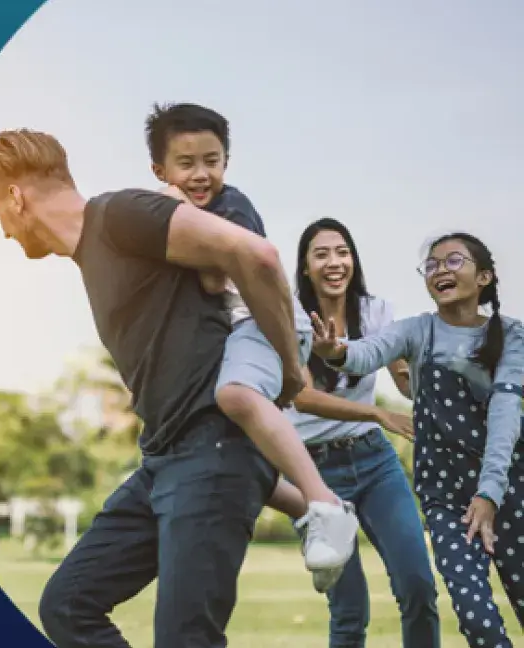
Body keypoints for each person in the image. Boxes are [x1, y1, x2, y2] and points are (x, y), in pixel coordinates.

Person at [0, 127, 349, 648]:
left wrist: (290, 366)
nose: (4, 231)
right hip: (163, 461)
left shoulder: (119, 215)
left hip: (210, 447)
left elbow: (257, 255)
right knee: (68, 605)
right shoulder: (93, 255)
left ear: (16, 197)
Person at [143, 102, 359, 582]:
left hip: (265, 321)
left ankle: (325, 505)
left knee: (236, 396)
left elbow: (214, 281)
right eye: (186, 164)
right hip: (240, 330)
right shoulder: (180, 212)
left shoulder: (231, 206)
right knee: (229, 454)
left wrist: (177, 209)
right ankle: (309, 514)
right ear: (160, 170)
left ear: (227, 161)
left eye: (212, 160)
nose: (202, 174)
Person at [312, 231, 524, 647]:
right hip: (446, 498)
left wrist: (490, 492)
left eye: (453, 261)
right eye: (432, 265)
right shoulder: (417, 331)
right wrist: (336, 353)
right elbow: (366, 352)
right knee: (477, 620)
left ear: (484, 277)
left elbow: (504, 415)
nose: (440, 270)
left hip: (509, 489)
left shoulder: (512, 336)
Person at [282, 217, 440, 646]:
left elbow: (404, 380)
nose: (334, 262)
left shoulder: (375, 312)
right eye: (321, 254)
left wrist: (435, 374)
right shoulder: (288, 317)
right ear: (306, 267)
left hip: (374, 462)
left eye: (342, 252)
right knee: (350, 609)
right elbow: (302, 396)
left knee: (418, 586)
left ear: (353, 260)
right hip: (313, 474)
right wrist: (376, 414)